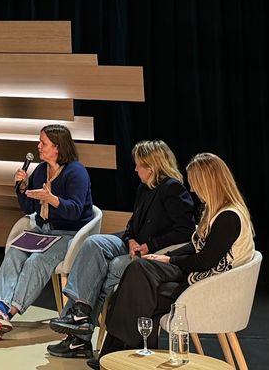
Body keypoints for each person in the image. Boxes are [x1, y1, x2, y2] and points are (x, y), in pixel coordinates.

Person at [90, 152, 255, 370]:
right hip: (200, 276)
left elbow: (205, 260)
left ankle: (120, 355)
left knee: (137, 287)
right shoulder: (216, 210)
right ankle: (124, 355)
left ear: (208, 182)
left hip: (209, 286)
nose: (193, 190)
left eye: (195, 183)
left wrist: (171, 261)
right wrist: (166, 258)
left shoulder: (229, 217)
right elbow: (197, 246)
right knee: (139, 271)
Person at [46, 139, 196, 359]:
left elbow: (185, 230)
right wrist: (131, 239)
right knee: (93, 243)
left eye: (138, 165)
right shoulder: (144, 188)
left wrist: (149, 246)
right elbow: (132, 225)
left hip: (158, 253)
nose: (135, 169)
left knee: (112, 267)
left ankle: (79, 337)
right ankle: (81, 312)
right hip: (135, 246)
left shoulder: (173, 189)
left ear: (152, 166)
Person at [0, 124, 94, 340]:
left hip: (68, 234)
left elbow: (76, 211)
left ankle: (7, 315)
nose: (38, 146)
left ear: (57, 147)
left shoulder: (77, 172)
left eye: (43, 143)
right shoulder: (40, 170)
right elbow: (30, 208)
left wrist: (53, 200)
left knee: (35, 262)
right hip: (42, 231)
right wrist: (21, 188)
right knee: (13, 252)